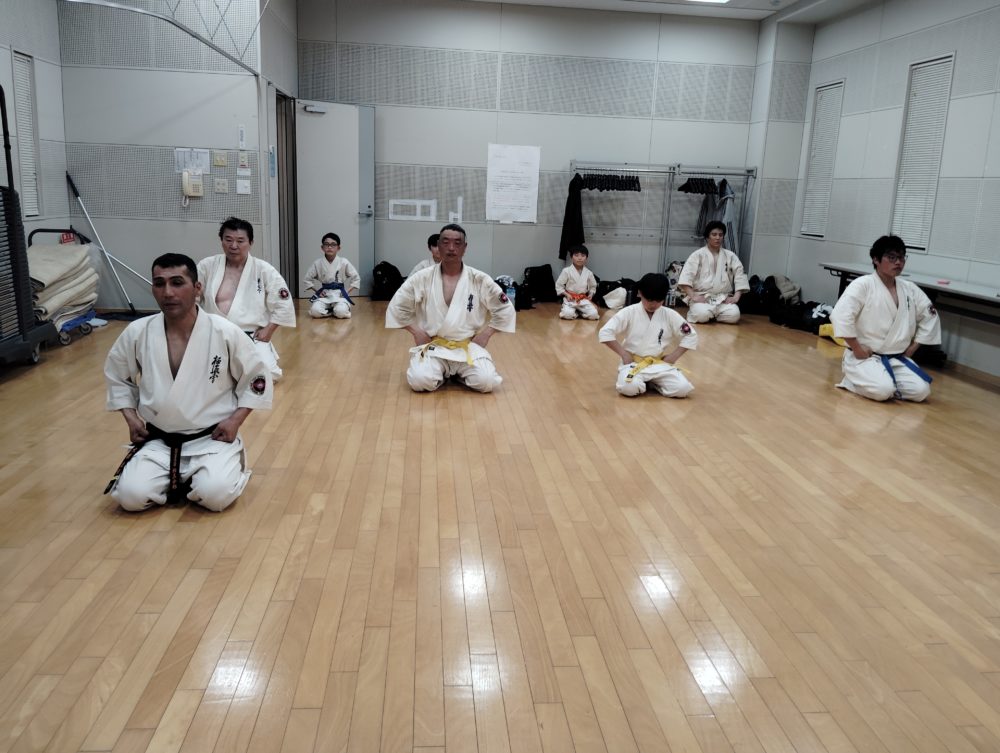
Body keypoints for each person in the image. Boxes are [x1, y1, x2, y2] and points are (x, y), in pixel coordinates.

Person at [104, 253, 272, 512]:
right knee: (130, 497)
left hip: (211, 439)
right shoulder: (138, 332)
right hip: (159, 440)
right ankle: (184, 479)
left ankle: (219, 469)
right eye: (159, 284)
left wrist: (235, 421)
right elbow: (118, 377)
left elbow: (256, 379)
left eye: (177, 282)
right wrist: (131, 418)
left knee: (215, 495)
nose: (168, 292)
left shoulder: (224, 331)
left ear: (197, 288)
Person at [386, 223, 515, 393]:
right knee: (419, 381)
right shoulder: (422, 277)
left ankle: (457, 375)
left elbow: (505, 309)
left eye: (457, 243)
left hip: (467, 346)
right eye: (445, 242)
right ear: (438, 246)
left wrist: (486, 334)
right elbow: (397, 306)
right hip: (435, 346)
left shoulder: (479, 279)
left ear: (465, 248)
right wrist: (416, 331)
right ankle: (443, 373)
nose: (451, 248)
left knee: (487, 382)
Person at [830, 235, 941, 402]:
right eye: (892, 257)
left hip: (895, 358)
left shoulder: (909, 288)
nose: (898, 262)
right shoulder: (863, 285)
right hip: (864, 358)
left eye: (902, 257)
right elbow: (841, 315)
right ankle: (851, 381)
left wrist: (913, 348)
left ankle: (884, 385)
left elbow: (930, 315)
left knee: (921, 391)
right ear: (876, 259)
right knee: (883, 390)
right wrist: (857, 349)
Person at [197, 217, 296, 381]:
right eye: (228, 240)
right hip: (213, 334)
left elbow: (283, 302)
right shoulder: (207, 266)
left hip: (249, 336)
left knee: (267, 374)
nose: (233, 246)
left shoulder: (264, 270)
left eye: (240, 241)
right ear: (221, 241)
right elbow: (190, 298)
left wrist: (269, 330)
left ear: (251, 243)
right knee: (199, 373)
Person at [599, 272, 697, 397]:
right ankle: (645, 383)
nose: (653, 305)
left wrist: (673, 357)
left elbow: (690, 335)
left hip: (658, 364)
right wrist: (623, 354)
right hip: (633, 364)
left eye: (658, 300)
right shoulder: (629, 312)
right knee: (628, 388)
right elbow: (605, 332)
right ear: (640, 293)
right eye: (649, 300)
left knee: (682, 389)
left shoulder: (670, 315)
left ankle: (654, 384)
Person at [677, 220, 749, 324]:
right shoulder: (697, 255)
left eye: (720, 235)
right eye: (714, 234)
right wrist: (693, 296)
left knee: (734, 315)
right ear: (707, 237)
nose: (717, 238)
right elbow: (686, 277)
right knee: (702, 314)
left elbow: (740, 275)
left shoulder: (730, 256)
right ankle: (706, 313)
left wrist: (736, 297)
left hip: (723, 299)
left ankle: (713, 314)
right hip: (702, 298)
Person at [304, 232, 361, 319]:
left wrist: (346, 292)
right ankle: (331, 312)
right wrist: (318, 291)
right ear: (322, 247)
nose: (330, 247)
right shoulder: (317, 263)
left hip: (339, 294)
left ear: (338, 248)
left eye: (333, 244)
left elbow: (356, 278)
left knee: (341, 312)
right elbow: (307, 279)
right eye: (326, 244)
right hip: (325, 294)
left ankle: (337, 311)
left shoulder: (343, 262)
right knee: (315, 312)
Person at [555, 244, 599, 320]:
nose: (580, 258)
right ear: (571, 257)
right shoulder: (566, 271)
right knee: (567, 314)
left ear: (586, 258)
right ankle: (574, 312)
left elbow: (593, 286)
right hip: (570, 299)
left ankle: (580, 312)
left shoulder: (589, 273)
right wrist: (566, 294)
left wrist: (591, 294)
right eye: (576, 255)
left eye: (583, 255)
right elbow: (559, 285)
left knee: (594, 315)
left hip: (583, 299)